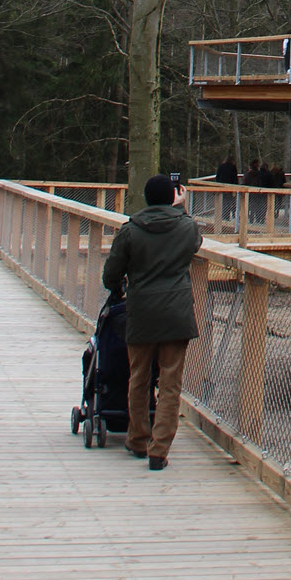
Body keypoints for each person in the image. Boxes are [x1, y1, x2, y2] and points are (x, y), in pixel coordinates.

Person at [103, 175, 202, 472]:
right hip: (176, 311)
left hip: (142, 310)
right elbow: (194, 243)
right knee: (171, 382)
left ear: (146, 198)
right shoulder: (187, 226)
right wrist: (181, 209)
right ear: (174, 196)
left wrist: (119, 285)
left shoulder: (131, 230)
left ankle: (138, 439)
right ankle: (160, 449)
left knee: (139, 377)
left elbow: (111, 274)